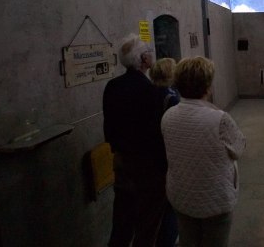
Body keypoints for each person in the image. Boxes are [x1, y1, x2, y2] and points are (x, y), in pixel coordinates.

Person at [161, 57, 246, 247]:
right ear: (207, 86)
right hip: (215, 201)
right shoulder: (220, 119)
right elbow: (239, 148)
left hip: (182, 197)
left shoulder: (168, 116)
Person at [102, 35, 168, 247]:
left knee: (121, 220)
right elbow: (156, 132)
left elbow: (109, 127)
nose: (151, 54)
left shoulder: (112, 86)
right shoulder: (150, 91)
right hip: (147, 166)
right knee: (147, 225)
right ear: (143, 60)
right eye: (148, 51)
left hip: (121, 160)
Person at [150, 57, 181, 247]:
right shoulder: (171, 97)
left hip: (148, 156)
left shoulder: (147, 93)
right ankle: (167, 241)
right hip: (166, 157)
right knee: (170, 204)